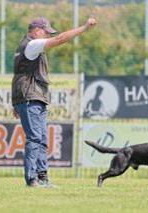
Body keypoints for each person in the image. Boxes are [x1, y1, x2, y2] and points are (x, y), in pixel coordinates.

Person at [12, 16, 97, 187]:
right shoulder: (31, 45)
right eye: (45, 32)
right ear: (36, 31)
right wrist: (84, 28)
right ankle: (32, 179)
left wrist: (16, 101)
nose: (47, 36)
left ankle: (43, 178)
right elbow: (60, 39)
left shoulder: (29, 47)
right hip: (31, 97)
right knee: (35, 139)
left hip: (34, 97)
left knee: (42, 139)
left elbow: (18, 74)